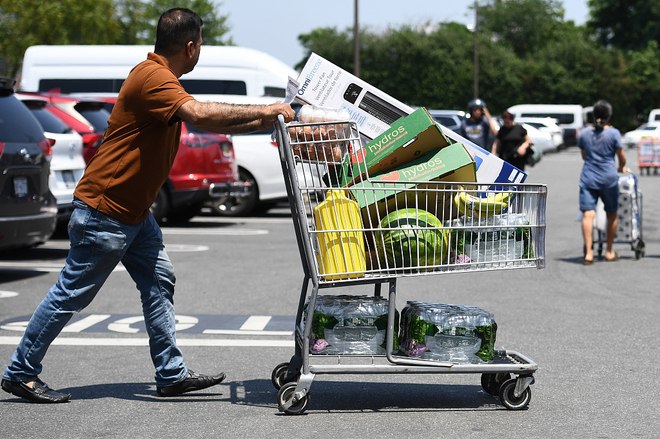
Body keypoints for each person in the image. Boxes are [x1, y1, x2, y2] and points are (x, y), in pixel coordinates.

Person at [1, 8, 295, 403]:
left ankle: (170, 374)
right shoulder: (153, 78)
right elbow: (198, 113)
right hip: (106, 213)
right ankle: (20, 371)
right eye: (201, 44)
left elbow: (215, 122)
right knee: (71, 293)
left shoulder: (161, 78)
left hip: (135, 216)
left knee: (159, 281)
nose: (201, 50)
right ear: (191, 46)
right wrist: (266, 109)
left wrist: (272, 119)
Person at [579, 100, 627, 265]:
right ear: (608, 116)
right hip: (608, 178)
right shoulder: (613, 133)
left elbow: (584, 156)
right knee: (611, 213)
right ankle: (609, 251)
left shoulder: (585, 133)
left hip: (588, 177)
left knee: (588, 214)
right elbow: (622, 156)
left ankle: (589, 253)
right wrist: (621, 167)